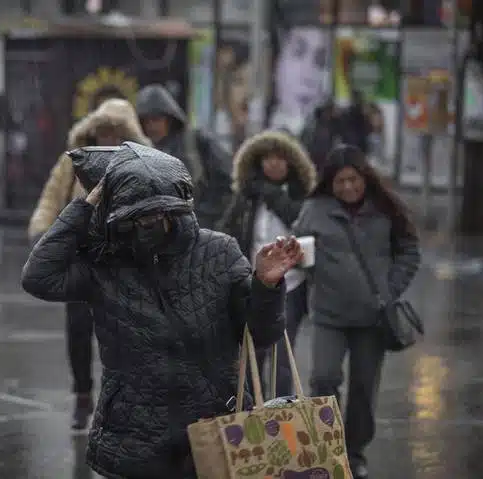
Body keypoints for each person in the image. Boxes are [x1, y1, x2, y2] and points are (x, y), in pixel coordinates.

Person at [21, 142, 303, 478]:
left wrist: (266, 286)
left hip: (214, 430)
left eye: (154, 216)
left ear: (175, 211)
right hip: (133, 436)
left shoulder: (218, 252)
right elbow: (39, 277)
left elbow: (263, 334)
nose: (145, 226)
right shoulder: (105, 263)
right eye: (134, 217)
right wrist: (83, 207)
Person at [292, 144, 421, 479]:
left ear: (365, 177)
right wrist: (299, 260)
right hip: (329, 316)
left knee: (364, 389)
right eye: (339, 182)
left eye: (353, 179)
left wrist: (388, 290)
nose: (347, 187)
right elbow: (297, 250)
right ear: (329, 184)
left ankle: (354, 452)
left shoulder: (386, 209)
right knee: (323, 379)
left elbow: (409, 250)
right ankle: (326, 449)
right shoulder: (313, 210)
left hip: (371, 319)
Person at [27, 98, 150, 431]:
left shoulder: (140, 164)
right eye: (102, 131)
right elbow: (52, 198)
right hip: (81, 258)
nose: (108, 139)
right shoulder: (73, 162)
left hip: (121, 262)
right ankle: (83, 394)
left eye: (115, 132)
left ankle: (120, 402)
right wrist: (42, 233)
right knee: (78, 330)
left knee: (121, 335)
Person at [217, 130, 316, 397]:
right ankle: (253, 417)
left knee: (283, 359)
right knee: (252, 356)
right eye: (268, 158)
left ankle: (284, 415)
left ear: (291, 162)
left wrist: (273, 195)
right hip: (252, 283)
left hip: (292, 285)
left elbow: (303, 225)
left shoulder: (301, 197)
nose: (273, 164)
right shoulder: (247, 196)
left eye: (280, 158)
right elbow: (227, 232)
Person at [135, 84, 232, 230]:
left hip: (197, 230)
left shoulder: (195, 142)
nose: (151, 126)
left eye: (156, 119)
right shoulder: (135, 150)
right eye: (146, 121)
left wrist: (203, 218)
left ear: (169, 118)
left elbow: (225, 181)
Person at [300, 100, 342, 172]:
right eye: (329, 111)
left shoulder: (335, 125)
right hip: (314, 157)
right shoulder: (312, 125)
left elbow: (337, 142)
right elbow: (305, 142)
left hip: (326, 159)